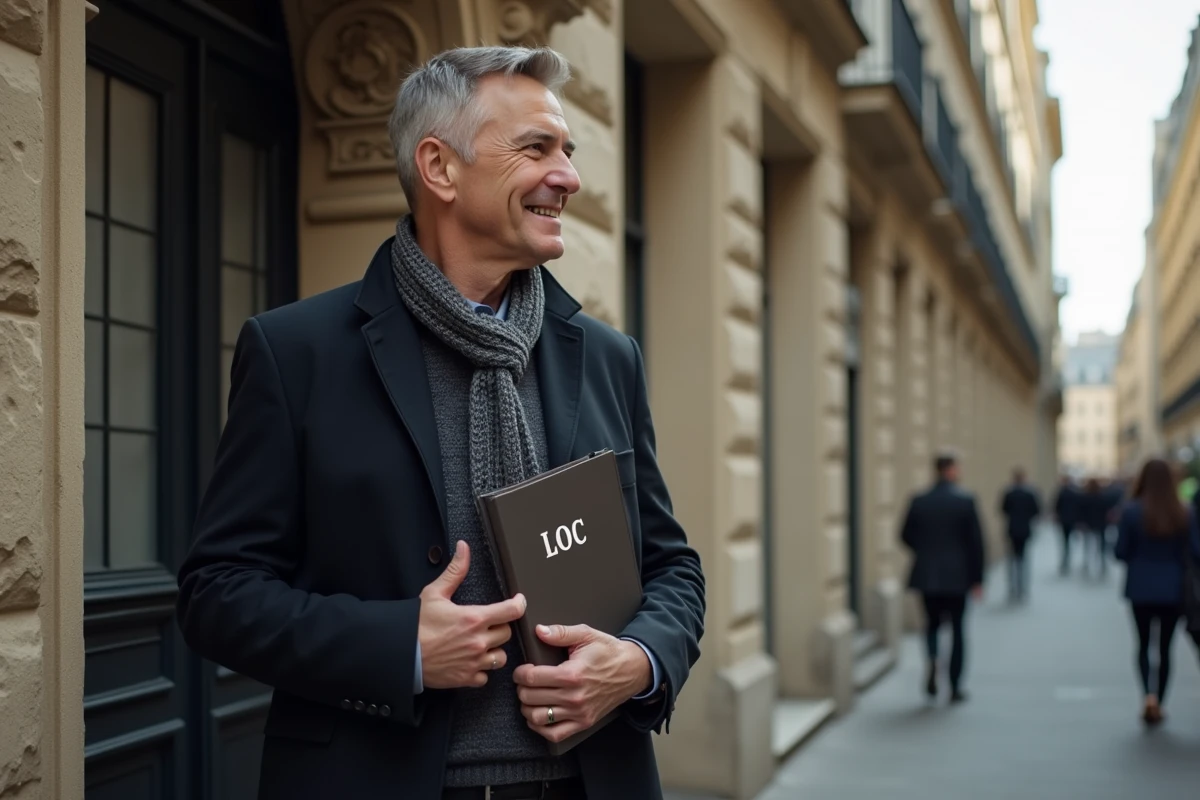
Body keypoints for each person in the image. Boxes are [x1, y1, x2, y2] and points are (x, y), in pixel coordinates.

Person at [175, 46, 706, 800]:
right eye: (537, 148)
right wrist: (400, 647)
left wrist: (639, 662)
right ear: (440, 168)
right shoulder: (296, 354)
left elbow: (672, 568)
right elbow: (217, 594)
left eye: (568, 151)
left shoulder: (606, 357)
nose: (568, 176)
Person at [1113, 458, 1200, 726]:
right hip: (1173, 588)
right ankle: (1160, 701)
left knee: (1142, 645)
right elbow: (1196, 551)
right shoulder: (1184, 512)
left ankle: (1147, 696)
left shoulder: (1131, 511)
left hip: (1140, 587)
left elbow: (1120, 552)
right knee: (1165, 648)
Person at [900, 452, 986, 703]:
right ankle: (955, 685)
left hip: (927, 574)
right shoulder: (965, 501)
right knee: (958, 629)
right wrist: (977, 579)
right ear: (951, 470)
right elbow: (976, 544)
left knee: (931, 624)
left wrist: (925, 551)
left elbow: (904, 534)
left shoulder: (919, 500)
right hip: (958, 577)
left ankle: (932, 660)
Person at [1000, 467, 1041, 602]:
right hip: (1024, 529)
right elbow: (1036, 511)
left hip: (1012, 529)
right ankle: (1023, 588)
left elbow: (1003, 509)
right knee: (1023, 559)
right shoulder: (1029, 494)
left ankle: (1013, 588)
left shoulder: (1009, 493)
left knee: (1012, 559)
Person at [1053, 474, 1080, 574]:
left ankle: (1065, 560)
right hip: (1070, 520)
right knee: (1068, 541)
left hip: (1064, 520)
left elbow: (1056, 506)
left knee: (1065, 540)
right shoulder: (1074, 492)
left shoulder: (1062, 493)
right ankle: (1067, 559)